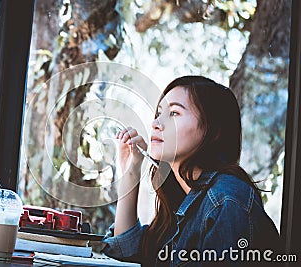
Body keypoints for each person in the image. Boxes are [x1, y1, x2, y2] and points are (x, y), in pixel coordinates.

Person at [102, 76, 281, 266]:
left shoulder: (226, 200)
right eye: (159, 112)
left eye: (174, 113)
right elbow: (125, 255)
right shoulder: (182, 202)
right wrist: (131, 172)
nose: (156, 123)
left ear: (212, 130)